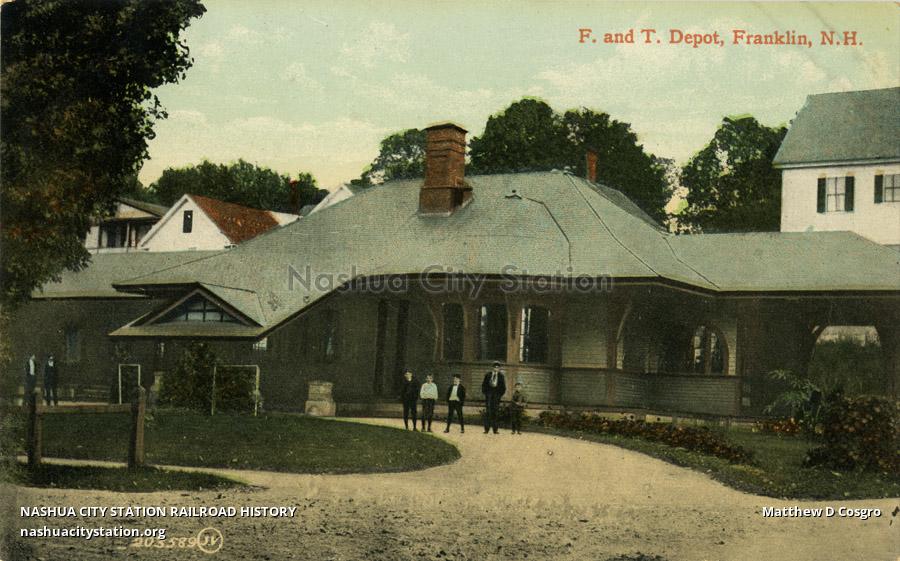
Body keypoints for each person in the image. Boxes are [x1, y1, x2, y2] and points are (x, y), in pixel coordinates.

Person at [481, 361, 507, 434]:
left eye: (497, 367)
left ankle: (495, 430)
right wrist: (486, 393)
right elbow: (484, 385)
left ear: (499, 368)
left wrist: (499, 395)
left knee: (495, 412)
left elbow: (503, 387)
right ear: (492, 368)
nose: (496, 368)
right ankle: (486, 429)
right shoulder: (488, 375)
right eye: (495, 367)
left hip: (496, 396)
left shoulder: (501, 376)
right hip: (489, 396)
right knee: (488, 412)